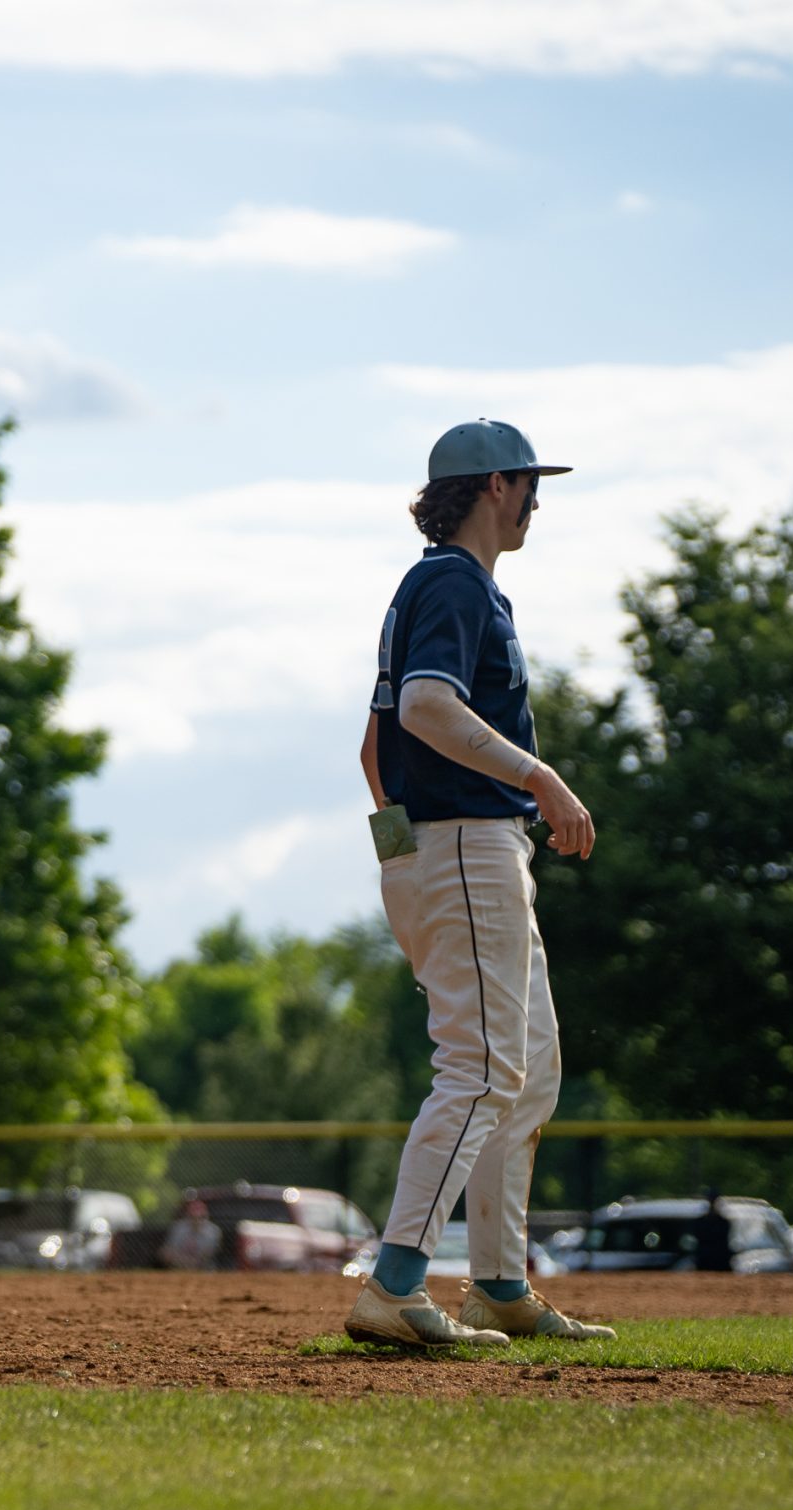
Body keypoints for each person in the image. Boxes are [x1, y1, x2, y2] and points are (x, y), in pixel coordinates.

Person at [344, 419, 614, 1351]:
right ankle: (394, 1285)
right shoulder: (456, 582)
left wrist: (403, 852)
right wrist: (539, 778)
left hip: (448, 846)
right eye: (531, 483)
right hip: (467, 844)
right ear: (497, 485)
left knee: (529, 1064)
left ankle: (499, 1284)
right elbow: (425, 706)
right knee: (483, 1069)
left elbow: (375, 747)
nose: (537, 500)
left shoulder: (437, 586)